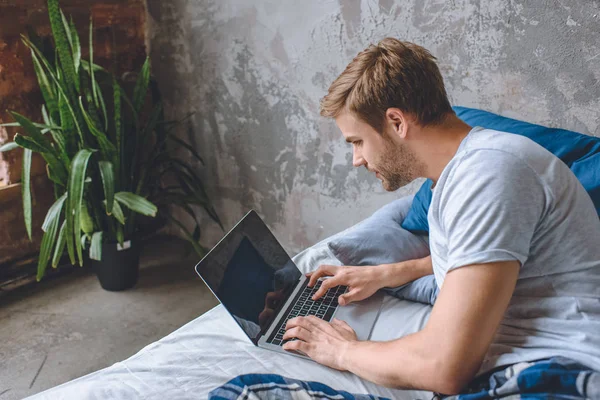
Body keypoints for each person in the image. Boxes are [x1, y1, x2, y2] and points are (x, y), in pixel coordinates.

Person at [277, 38, 600, 394]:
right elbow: (485, 255)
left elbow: (444, 367)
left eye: (357, 141)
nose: (357, 159)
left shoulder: (490, 175)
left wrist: (342, 350)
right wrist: (385, 273)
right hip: (527, 363)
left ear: (396, 121)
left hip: (558, 373)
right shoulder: (466, 172)